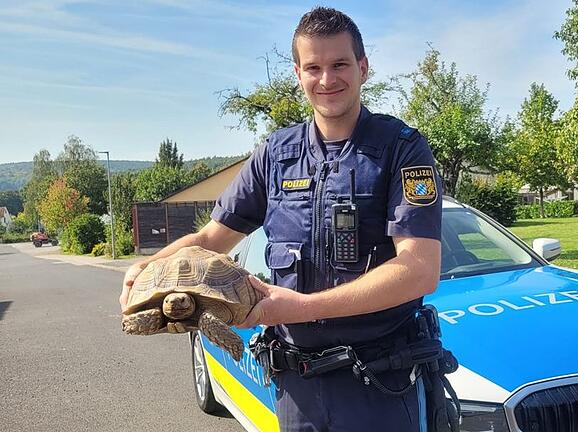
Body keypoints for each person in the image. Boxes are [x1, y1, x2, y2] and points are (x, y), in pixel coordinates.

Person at [120, 7, 452, 432]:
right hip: (297, 389)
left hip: (380, 385)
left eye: (340, 64)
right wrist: (147, 271)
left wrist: (303, 308)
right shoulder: (275, 155)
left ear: (363, 68)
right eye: (313, 67)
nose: (327, 79)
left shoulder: (402, 150)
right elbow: (210, 238)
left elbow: (420, 270)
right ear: (298, 74)